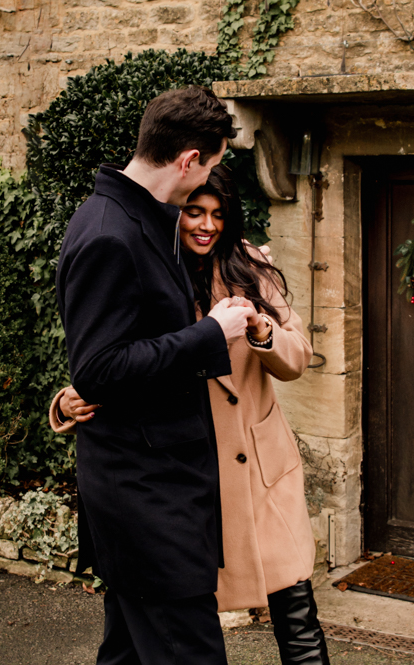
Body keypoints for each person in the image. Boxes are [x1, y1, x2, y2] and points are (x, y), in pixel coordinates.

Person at [51, 164, 331, 665]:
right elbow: (114, 355)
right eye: (194, 212)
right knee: (164, 620)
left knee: (294, 606)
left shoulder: (249, 266)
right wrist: (68, 399)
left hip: (260, 471)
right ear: (176, 211)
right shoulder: (153, 263)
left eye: (218, 215)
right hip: (190, 476)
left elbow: (297, 357)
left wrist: (261, 332)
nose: (206, 225)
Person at [55, 86, 253, 665]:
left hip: (158, 491)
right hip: (146, 501)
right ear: (190, 159)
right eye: (211, 166)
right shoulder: (110, 232)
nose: (207, 180)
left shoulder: (141, 219)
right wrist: (211, 334)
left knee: (129, 655)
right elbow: (98, 368)